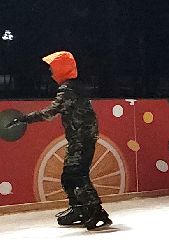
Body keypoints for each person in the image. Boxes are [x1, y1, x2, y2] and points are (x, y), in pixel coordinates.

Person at [17, 50, 112, 230]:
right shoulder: (73, 87)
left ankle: (96, 211)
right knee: (69, 176)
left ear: (61, 69)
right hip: (80, 139)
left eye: (53, 68)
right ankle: (79, 209)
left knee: (76, 174)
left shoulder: (68, 90)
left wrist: (25, 118)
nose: (51, 73)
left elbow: (51, 112)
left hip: (81, 140)